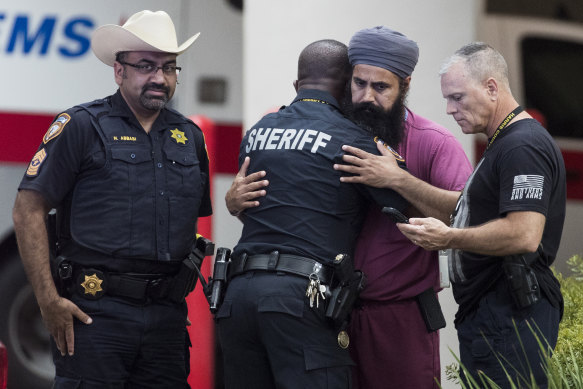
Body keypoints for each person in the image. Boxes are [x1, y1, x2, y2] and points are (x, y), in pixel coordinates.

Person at [227, 27, 473, 389]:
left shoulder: (433, 142)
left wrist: (399, 179)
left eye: (381, 87)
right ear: (345, 84)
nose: (366, 97)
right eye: (359, 84)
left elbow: (467, 217)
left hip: (396, 317)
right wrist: (234, 202)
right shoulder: (338, 134)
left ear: (405, 85)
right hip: (325, 310)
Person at [12, 10, 211, 388]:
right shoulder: (81, 126)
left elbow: (191, 225)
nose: (160, 78)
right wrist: (47, 301)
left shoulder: (190, 137)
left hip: (166, 321)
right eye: (146, 66)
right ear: (119, 71)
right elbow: (27, 211)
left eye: (169, 68)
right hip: (94, 316)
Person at [216, 39, 408, 389]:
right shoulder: (354, 140)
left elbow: (263, 206)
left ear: (297, 85)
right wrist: (399, 173)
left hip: (238, 296)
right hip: (300, 299)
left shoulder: (257, 133)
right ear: (347, 86)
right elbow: (404, 210)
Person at [397, 42, 566, 388]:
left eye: (457, 97)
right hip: (494, 313)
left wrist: (448, 237)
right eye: (447, 99)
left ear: (491, 87)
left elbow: (524, 233)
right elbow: (466, 207)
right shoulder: (505, 141)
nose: (449, 109)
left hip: (510, 313)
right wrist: (398, 181)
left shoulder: (523, 145)